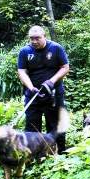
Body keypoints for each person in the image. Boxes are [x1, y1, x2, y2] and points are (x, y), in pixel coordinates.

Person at [17, 25, 69, 154]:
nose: (34, 41)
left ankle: (60, 153)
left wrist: (51, 81)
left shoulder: (56, 48)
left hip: (53, 94)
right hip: (33, 95)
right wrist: (31, 88)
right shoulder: (25, 51)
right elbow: (22, 71)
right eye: (31, 39)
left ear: (44, 36)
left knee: (55, 125)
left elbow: (65, 67)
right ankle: (35, 156)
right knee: (32, 127)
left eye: (37, 38)